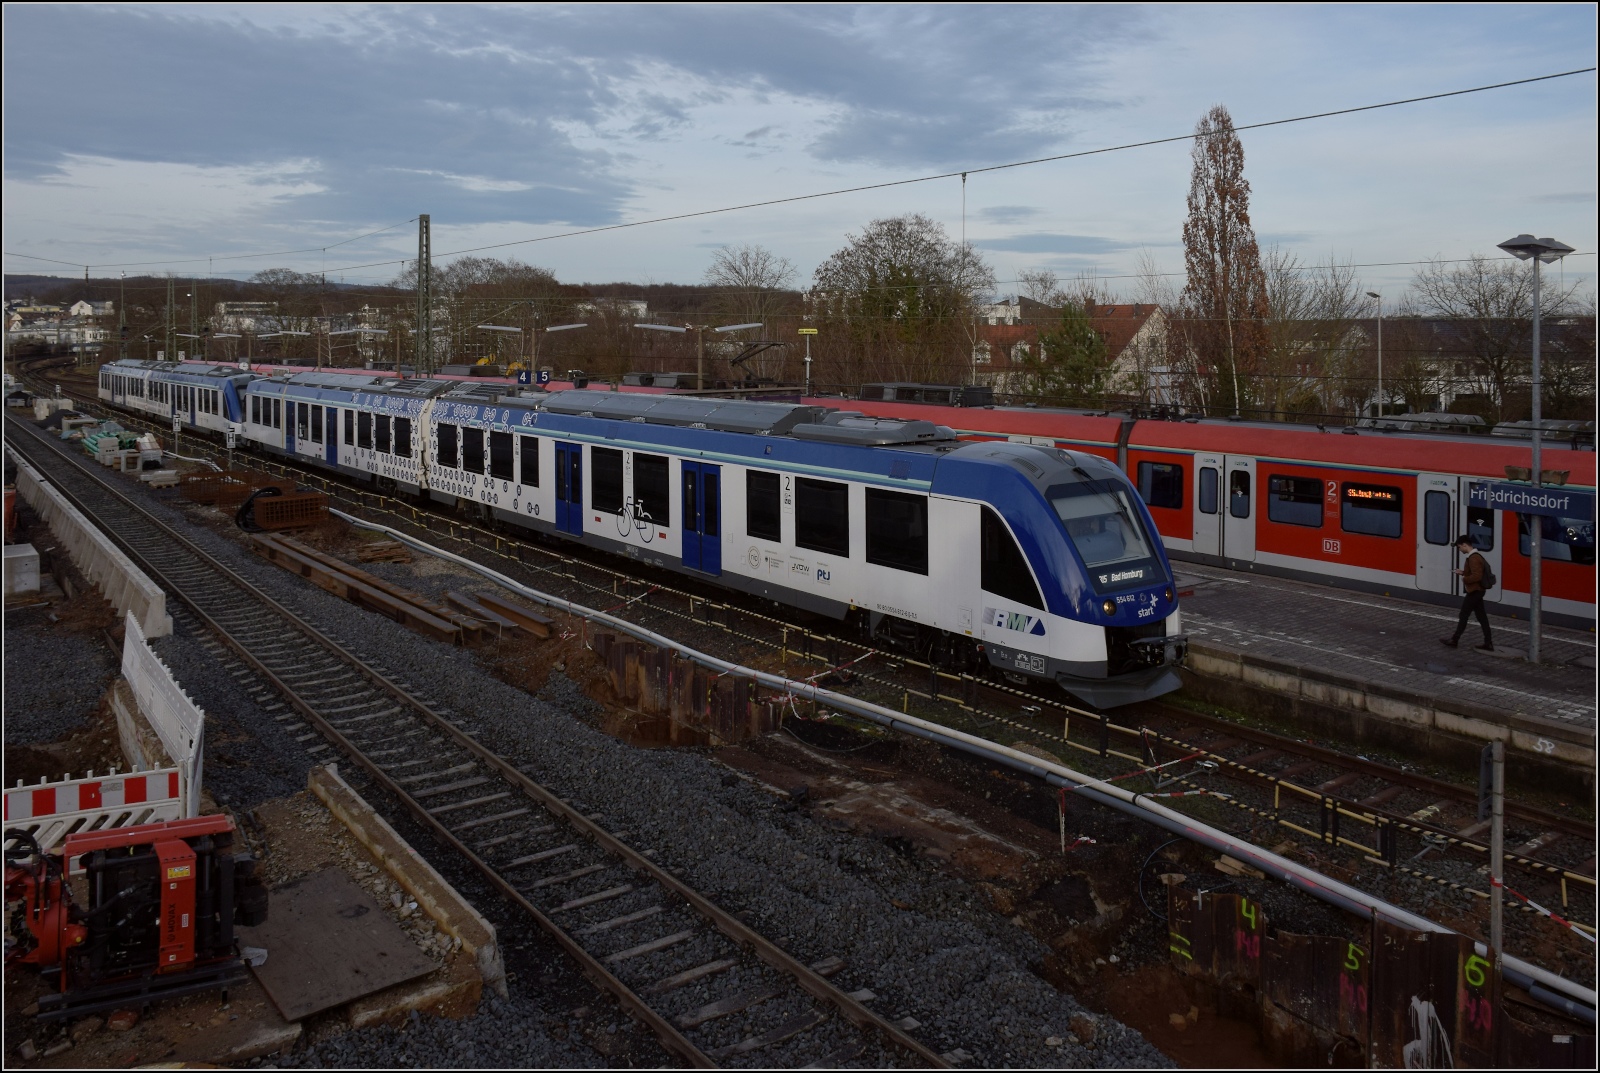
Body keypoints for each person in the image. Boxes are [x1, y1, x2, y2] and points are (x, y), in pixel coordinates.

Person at [1441, 535, 1493, 651]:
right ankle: (1488, 643)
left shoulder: (1474, 558)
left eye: (1460, 547)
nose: (1460, 550)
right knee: (1482, 617)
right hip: (1478, 591)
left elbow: (1477, 576)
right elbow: (1475, 573)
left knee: (1464, 615)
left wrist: (1464, 579)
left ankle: (1454, 640)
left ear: (1465, 545)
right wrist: (1463, 572)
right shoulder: (1475, 557)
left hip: (1475, 591)